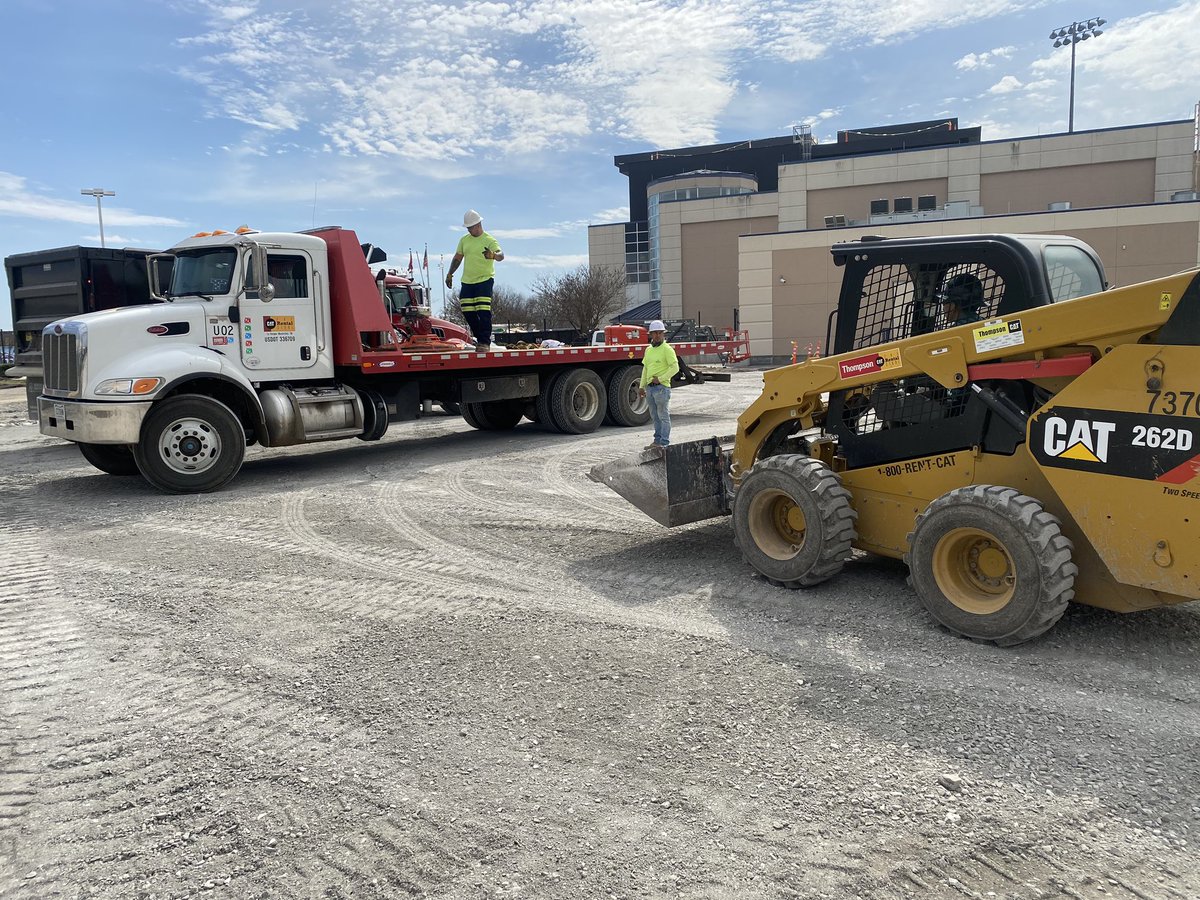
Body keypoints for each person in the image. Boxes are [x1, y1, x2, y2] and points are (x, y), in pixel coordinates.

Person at [445, 209, 504, 352]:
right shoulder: (464, 240)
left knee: (483, 311)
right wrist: (450, 273)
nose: (469, 230)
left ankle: (484, 342)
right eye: (468, 228)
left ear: (478, 224)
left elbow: (501, 255)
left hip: (484, 280)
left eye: (471, 227)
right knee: (467, 310)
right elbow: (457, 258)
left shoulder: (489, 240)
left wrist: (493, 255)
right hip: (467, 281)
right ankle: (480, 337)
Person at [638, 320, 679, 450]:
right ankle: (657, 441)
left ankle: (664, 443)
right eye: (655, 333)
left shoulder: (667, 349)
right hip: (650, 388)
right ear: (651, 334)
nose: (657, 335)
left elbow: (675, 367)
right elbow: (645, 368)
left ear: (663, 334)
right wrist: (641, 386)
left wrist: (660, 379)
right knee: (655, 416)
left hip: (661, 388)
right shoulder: (648, 350)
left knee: (663, 416)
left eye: (660, 333)